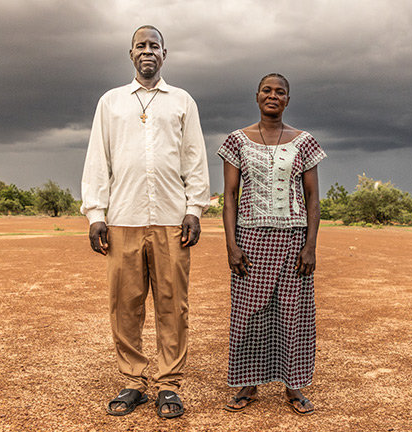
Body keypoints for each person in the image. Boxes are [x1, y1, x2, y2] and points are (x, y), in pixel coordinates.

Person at [80, 25, 210, 419]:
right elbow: (97, 160)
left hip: (172, 219)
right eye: (141, 46)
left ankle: (169, 383)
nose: (148, 51)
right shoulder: (111, 102)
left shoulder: (182, 101)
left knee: (173, 305)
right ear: (131, 54)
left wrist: (194, 209)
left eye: (154, 45)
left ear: (164, 54)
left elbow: (195, 158)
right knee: (125, 304)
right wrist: (95, 214)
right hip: (123, 219)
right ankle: (133, 381)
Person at [217, 73, 325, 416]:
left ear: (288, 100)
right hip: (250, 238)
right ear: (257, 96)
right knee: (249, 312)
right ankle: (248, 383)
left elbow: (313, 198)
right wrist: (232, 246)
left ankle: (294, 388)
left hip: (294, 239)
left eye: (281, 92)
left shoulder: (304, 142)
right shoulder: (237, 141)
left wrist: (310, 246)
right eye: (267, 90)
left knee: (293, 312)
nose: (273, 95)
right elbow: (230, 198)